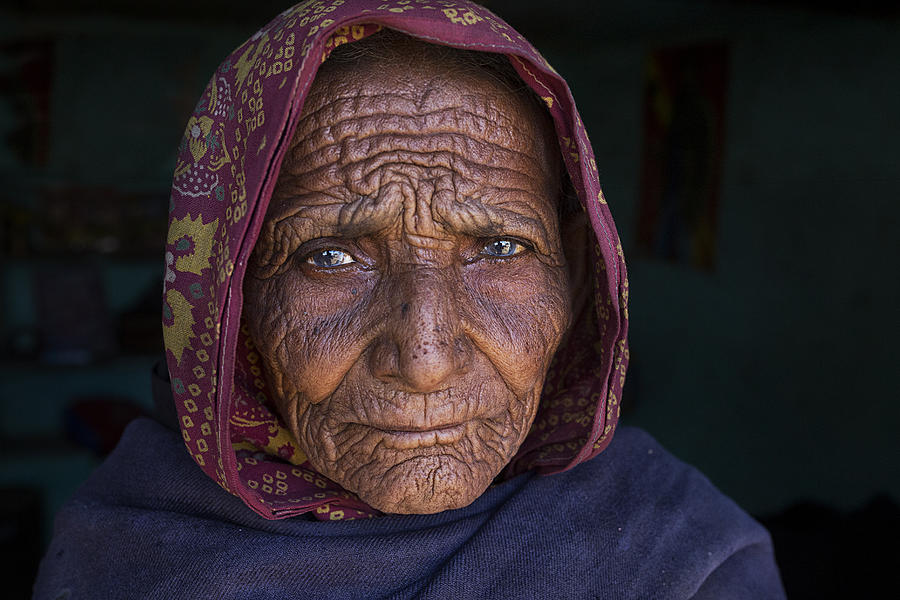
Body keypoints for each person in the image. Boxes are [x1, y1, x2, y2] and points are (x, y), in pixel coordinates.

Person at [33, 1, 785, 598]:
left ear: (580, 278)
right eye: (328, 256)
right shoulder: (116, 562)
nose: (425, 359)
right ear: (224, 298)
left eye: (500, 248)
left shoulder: (683, 560)